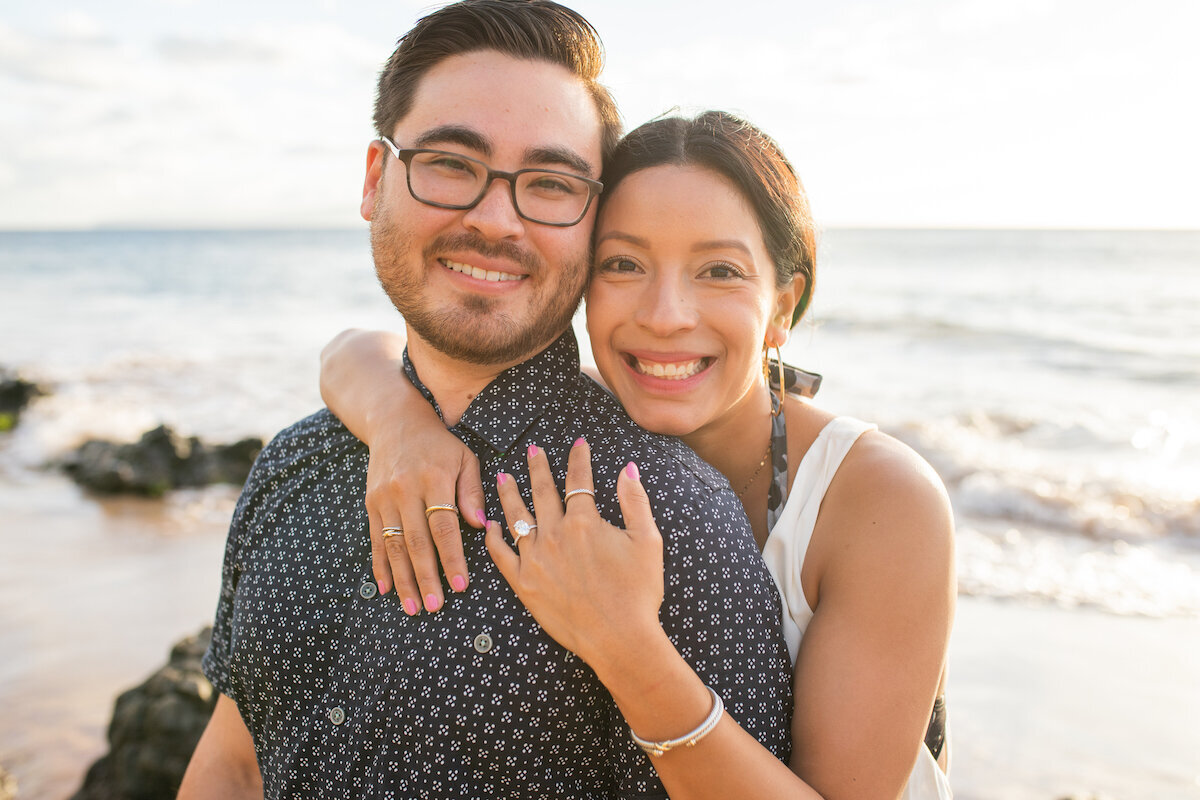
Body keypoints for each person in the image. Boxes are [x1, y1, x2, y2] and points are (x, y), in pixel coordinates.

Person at [179, 2, 794, 798]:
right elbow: (234, 761)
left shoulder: (667, 519)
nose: (496, 220)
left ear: (591, 218)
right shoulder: (291, 465)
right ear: (375, 180)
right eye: (450, 163)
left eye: (549, 183)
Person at [320, 111, 956, 798]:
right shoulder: (587, 422)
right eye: (623, 264)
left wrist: (624, 646)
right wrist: (398, 424)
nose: (665, 314)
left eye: (719, 271)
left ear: (782, 306)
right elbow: (352, 350)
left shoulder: (880, 499)